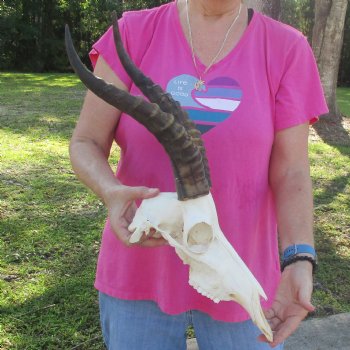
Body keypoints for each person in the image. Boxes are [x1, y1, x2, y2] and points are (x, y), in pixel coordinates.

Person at [69, 0, 328, 349]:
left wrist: (299, 257)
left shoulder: (286, 47)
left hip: (239, 276)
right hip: (139, 266)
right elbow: (85, 142)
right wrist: (109, 190)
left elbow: (292, 170)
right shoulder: (133, 33)